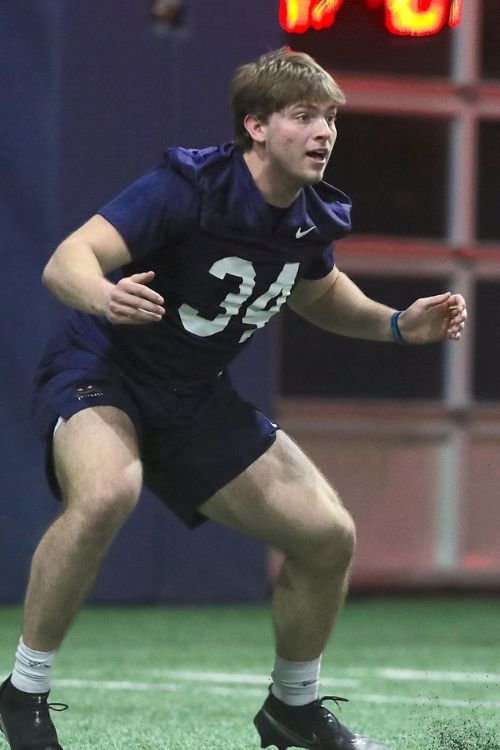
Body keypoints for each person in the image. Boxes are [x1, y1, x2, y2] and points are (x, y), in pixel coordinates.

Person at [0, 47, 466, 750]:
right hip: (106, 369)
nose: (324, 132)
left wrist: (397, 324)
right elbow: (66, 259)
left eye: (331, 117)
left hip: (195, 395)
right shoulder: (187, 185)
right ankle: (23, 692)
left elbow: (318, 294)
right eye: (304, 116)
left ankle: (292, 709)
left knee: (326, 536)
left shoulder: (307, 216)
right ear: (255, 125)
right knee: (105, 495)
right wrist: (104, 293)